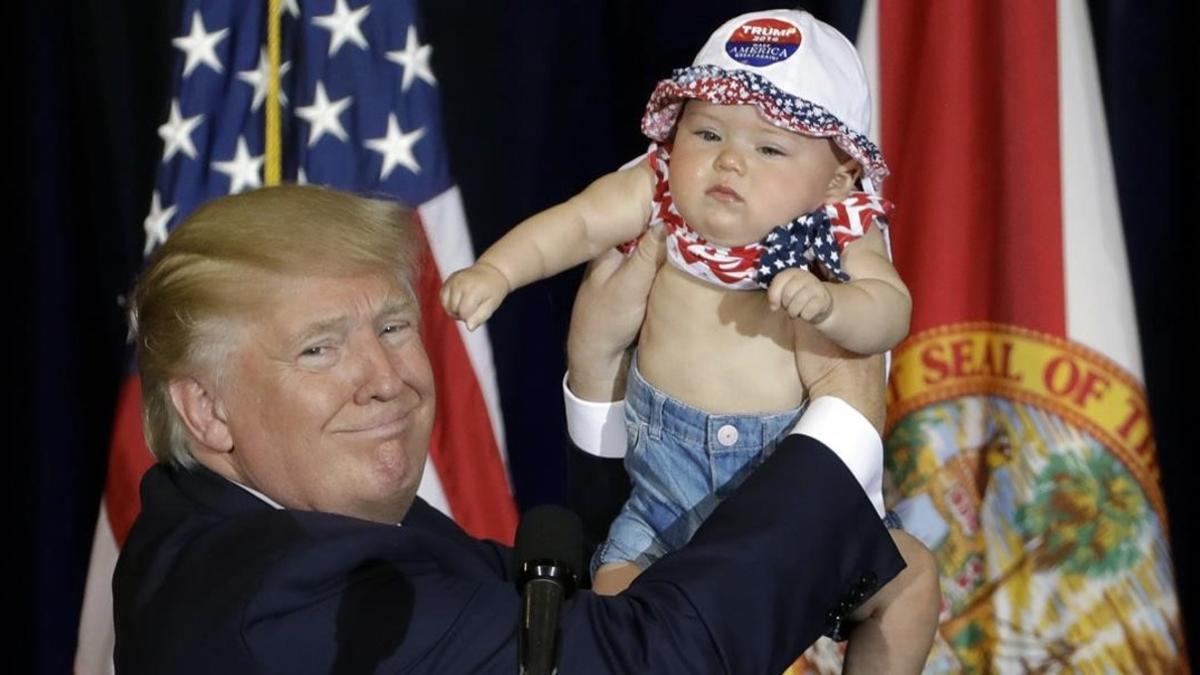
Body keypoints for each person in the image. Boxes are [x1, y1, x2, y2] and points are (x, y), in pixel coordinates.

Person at [114, 184, 916, 673]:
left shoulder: (271, 524)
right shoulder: (275, 595)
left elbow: (566, 617)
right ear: (206, 411)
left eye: (393, 327)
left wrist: (597, 375)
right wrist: (844, 405)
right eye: (319, 349)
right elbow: (647, 663)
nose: (386, 380)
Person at [441, 9, 937, 669]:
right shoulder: (658, 194)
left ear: (839, 173)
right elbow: (577, 223)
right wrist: (496, 271)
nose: (729, 160)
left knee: (912, 579)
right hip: (665, 501)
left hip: (791, 491)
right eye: (706, 132)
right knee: (620, 612)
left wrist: (834, 305)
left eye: (769, 148)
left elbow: (891, 312)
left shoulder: (838, 229)